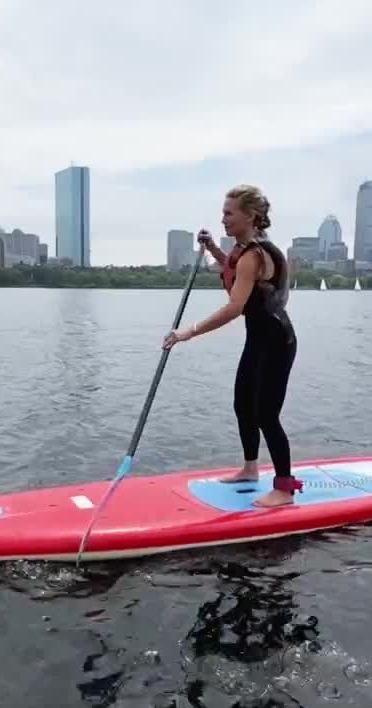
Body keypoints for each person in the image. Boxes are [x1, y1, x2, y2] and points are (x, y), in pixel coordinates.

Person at [163, 184, 299, 508]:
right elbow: (235, 272)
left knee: (267, 414)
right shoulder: (245, 251)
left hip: (277, 342)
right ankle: (251, 470)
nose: (223, 219)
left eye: (229, 213)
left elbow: (235, 307)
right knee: (242, 404)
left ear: (250, 216)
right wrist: (212, 249)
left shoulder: (254, 254)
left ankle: (285, 490)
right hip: (258, 339)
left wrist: (189, 332)